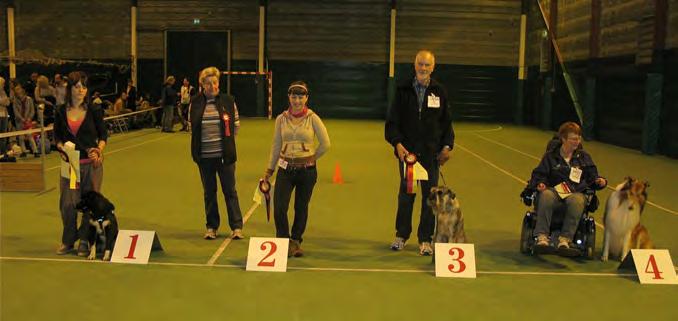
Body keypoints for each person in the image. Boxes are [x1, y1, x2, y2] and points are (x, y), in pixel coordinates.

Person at [385, 50, 454, 256]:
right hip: (408, 156)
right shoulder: (402, 89)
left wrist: (447, 146)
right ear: (414, 65)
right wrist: (397, 144)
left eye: (427, 65)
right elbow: (392, 122)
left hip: (431, 155)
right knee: (406, 196)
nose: (423, 68)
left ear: (433, 67)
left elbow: (446, 123)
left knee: (430, 199)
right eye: (420, 64)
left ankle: (425, 239)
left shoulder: (439, 91)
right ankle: (401, 235)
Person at [263, 81, 330, 257]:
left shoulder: (313, 118)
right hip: (285, 169)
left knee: (301, 207)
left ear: (306, 98)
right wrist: (269, 170)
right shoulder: (281, 119)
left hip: (307, 172)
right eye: (294, 97)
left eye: (301, 97)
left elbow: (325, 144)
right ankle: (283, 242)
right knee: (279, 208)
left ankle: (296, 241)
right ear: (289, 97)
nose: (297, 100)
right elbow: (276, 145)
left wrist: (311, 158)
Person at [525, 121, 607, 255]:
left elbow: (593, 177)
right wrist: (540, 183)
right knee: (546, 195)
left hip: (575, 192)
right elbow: (539, 174)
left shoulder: (584, 158)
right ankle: (542, 237)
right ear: (563, 139)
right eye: (573, 139)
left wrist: (601, 181)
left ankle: (565, 239)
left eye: (578, 138)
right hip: (554, 191)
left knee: (578, 201)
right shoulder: (550, 156)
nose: (577, 141)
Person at [53, 71, 108, 256]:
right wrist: (62, 149)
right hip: (71, 166)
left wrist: (98, 150)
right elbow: (58, 138)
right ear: (70, 89)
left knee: (89, 204)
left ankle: (85, 240)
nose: (81, 90)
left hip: (91, 167)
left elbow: (103, 136)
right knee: (69, 204)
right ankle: (68, 240)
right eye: (77, 87)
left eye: (84, 87)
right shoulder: (60, 111)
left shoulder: (94, 109)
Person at [189, 66, 244, 240]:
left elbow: (235, 126)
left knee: (230, 191)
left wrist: (226, 145)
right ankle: (212, 227)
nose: (212, 86)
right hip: (204, 157)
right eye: (208, 83)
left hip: (224, 157)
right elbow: (192, 127)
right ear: (202, 85)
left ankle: (236, 227)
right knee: (209, 192)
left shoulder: (228, 101)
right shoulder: (195, 102)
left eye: (215, 82)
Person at [12, 84, 39, 157]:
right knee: (20, 137)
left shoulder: (29, 99)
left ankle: (35, 151)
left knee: (30, 136)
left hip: (28, 121)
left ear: (22, 90)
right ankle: (23, 151)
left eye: (18, 89)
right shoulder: (15, 101)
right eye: (16, 89)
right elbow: (16, 112)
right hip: (19, 121)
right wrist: (21, 119)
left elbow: (32, 110)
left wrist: (29, 118)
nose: (17, 90)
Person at [0, 77, 9, 156]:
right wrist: (4, 101)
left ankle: (3, 152)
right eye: (3, 83)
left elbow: (7, 103)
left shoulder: (3, 92)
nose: (4, 85)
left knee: (4, 135)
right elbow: (4, 101)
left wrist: (3, 102)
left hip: (4, 115)